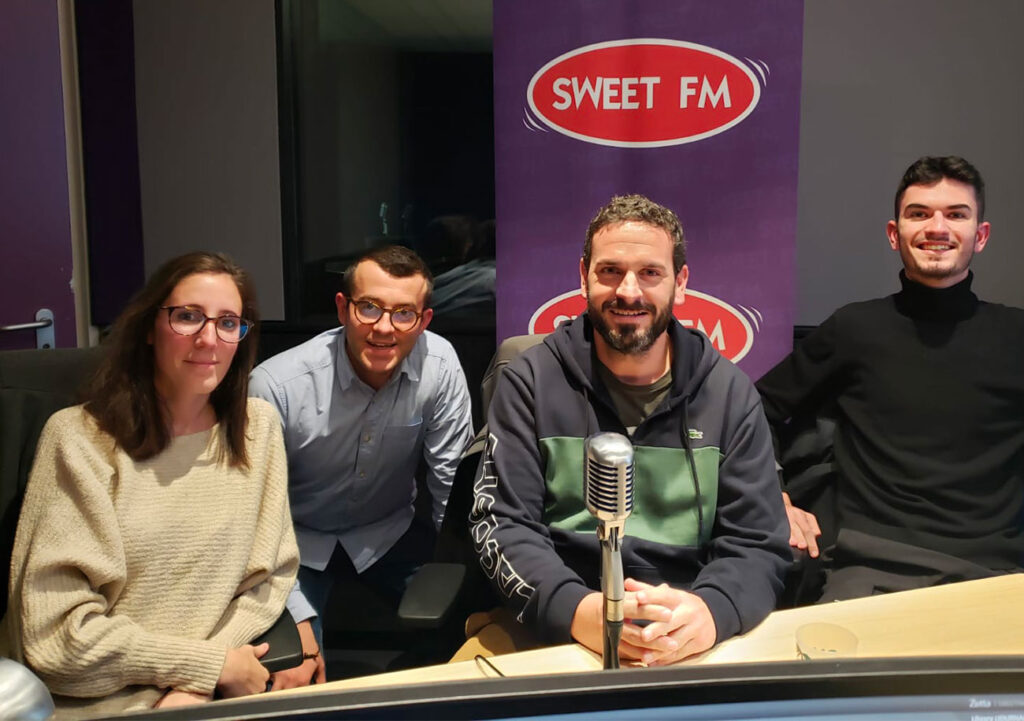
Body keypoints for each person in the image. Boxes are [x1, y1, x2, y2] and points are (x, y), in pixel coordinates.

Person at [465, 195, 790, 666]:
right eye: (610, 271)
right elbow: (502, 523)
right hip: (553, 624)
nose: (629, 291)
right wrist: (577, 610)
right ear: (583, 277)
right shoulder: (531, 380)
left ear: (680, 283)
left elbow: (758, 543)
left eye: (650, 273)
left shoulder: (729, 393)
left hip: (686, 630)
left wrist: (711, 612)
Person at [0, 252, 302, 717]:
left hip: (206, 698)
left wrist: (200, 682)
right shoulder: (80, 439)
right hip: (93, 703)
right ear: (148, 327)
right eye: (188, 317)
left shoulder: (255, 429)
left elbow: (271, 578)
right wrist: (206, 666)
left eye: (228, 323)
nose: (209, 339)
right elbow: (56, 641)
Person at [756, 156, 1024, 602]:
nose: (937, 227)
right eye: (919, 214)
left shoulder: (1016, 336)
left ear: (980, 236)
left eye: (956, 214)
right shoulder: (856, 329)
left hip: (996, 575)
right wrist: (774, 498)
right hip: (869, 570)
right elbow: (751, 412)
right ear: (894, 233)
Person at [249, 244, 473, 672]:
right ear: (342, 308)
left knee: (475, 628)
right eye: (369, 308)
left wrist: (462, 573)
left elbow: (451, 487)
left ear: (423, 320)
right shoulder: (276, 387)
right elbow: (256, 521)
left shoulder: (440, 367)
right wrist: (296, 617)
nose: (384, 328)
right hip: (295, 542)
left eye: (404, 313)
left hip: (388, 532)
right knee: (293, 668)